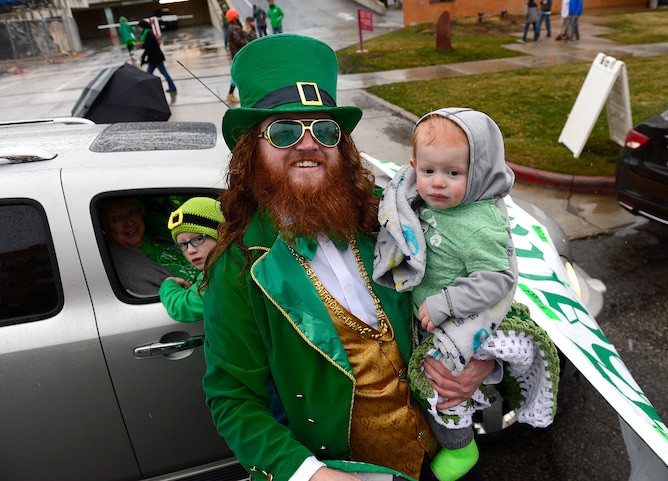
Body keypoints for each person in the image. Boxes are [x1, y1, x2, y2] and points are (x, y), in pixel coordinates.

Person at [202, 33, 497, 481]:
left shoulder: (393, 216)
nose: (308, 144)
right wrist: (310, 475)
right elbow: (233, 399)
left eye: (325, 129)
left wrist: (482, 365)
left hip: (446, 454)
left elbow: (485, 279)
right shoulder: (241, 266)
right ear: (251, 150)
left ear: (341, 146)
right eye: (283, 131)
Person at [373, 109, 560, 481]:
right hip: (427, 314)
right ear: (413, 167)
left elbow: (498, 277)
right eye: (428, 172)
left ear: (480, 172)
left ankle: (461, 448)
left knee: (442, 387)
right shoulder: (419, 198)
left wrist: (447, 303)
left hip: (459, 319)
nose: (437, 183)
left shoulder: (479, 223)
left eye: (453, 173)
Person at [101, 197, 197, 296]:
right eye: (116, 219)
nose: (129, 223)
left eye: (131, 212)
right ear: (105, 227)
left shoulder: (155, 236)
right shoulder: (130, 268)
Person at [159, 197, 224, 322]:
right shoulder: (218, 267)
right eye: (183, 245)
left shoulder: (221, 274)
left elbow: (183, 307)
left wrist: (168, 285)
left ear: (221, 234)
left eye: (198, 239)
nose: (190, 250)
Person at [138, 19, 177, 98]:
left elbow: (149, 47)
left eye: (139, 27)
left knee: (161, 73)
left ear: (143, 27)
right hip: (153, 58)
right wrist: (142, 46)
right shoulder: (147, 33)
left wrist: (143, 56)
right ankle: (149, 89)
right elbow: (149, 45)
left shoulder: (149, 34)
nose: (139, 29)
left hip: (156, 58)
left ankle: (172, 86)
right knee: (149, 74)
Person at [225, 8, 248, 105]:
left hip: (237, 54)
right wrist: (248, 42)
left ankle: (231, 94)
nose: (238, 17)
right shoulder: (235, 28)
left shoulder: (233, 27)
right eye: (237, 15)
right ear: (233, 17)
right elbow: (239, 41)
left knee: (239, 73)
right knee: (238, 74)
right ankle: (230, 94)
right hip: (239, 54)